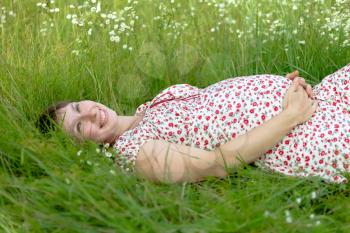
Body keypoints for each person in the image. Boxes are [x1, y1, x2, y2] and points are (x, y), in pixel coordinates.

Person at [37, 64, 350, 184]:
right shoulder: (135, 154)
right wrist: (289, 116)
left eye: (80, 107)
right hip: (300, 137)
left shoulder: (152, 104)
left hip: (318, 97)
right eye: (80, 127)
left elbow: (220, 103)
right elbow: (217, 164)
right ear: (81, 149)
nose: (90, 114)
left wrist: (280, 87)